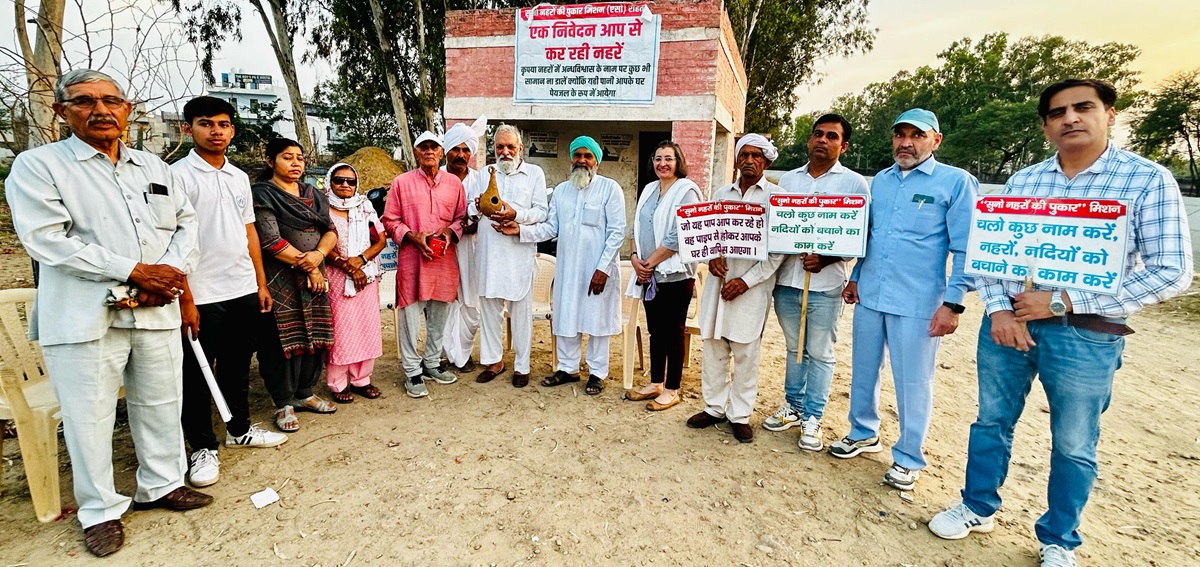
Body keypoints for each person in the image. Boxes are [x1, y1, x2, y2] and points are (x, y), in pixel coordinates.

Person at [929, 79, 1194, 567]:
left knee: (1073, 441)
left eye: (1083, 107)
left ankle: (1059, 538)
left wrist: (1066, 301)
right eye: (1057, 112)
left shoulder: (1146, 180)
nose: (1070, 118)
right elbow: (990, 256)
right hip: (1008, 328)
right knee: (991, 421)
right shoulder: (1025, 183)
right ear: (1046, 125)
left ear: (1109, 114)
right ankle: (976, 505)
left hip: (1087, 334)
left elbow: (1172, 271)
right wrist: (999, 309)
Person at [5, 69, 210, 557]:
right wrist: (135, 271)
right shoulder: (39, 167)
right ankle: (100, 510)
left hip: (156, 306)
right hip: (84, 316)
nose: (100, 109)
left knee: (161, 402)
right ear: (61, 111)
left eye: (111, 100)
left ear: (127, 108)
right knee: (89, 416)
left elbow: (187, 225)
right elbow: (47, 240)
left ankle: (160, 484)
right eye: (84, 101)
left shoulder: (153, 166)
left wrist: (169, 276)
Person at [834, 108, 977, 491]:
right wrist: (857, 277)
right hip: (872, 294)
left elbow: (966, 249)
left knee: (913, 381)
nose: (906, 142)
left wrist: (954, 302)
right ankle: (863, 431)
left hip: (919, 303)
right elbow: (870, 236)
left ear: (936, 140)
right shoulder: (880, 181)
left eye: (917, 135)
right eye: (900, 134)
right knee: (863, 369)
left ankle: (909, 456)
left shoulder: (956, 183)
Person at [172, 96, 286, 490]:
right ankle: (202, 447)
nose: (216, 131)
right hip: (200, 292)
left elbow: (249, 231)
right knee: (197, 373)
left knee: (237, 364)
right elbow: (170, 239)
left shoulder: (239, 178)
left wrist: (259, 282)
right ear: (189, 129)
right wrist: (185, 297)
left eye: (223, 124)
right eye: (206, 123)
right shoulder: (177, 176)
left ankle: (239, 428)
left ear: (232, 130)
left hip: (241, 287)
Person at [762, 114, 869, 451]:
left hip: (826, 286)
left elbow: (860, 234)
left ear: (843, 145)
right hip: (788, 281)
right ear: (809, 140)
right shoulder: (788, 182)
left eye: (832, 136)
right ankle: (793, 405)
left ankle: (813, 416)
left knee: (820, 352)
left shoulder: (854, 184)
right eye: (818, 134)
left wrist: (828, 258)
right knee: (795, 349)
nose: (823, 140)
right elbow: (774, 229)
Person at [496, 135, 625, 396]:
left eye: (587, 156)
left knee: (596, 319)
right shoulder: (562, 191)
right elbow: (549, 228)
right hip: (568, 267)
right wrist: (519, 230)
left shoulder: (610, 189)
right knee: (567, 314)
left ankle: (597, 372)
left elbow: (617, 231)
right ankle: (568, 368)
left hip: (597, 269)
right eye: (577, 155)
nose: (581, 161)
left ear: (596, 161)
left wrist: (602, 269)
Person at [685, 135, 785, 443]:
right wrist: (712, 255)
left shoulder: (776, 197)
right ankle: (714, 407)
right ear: (737, 159)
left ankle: (739, 414)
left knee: (745, 351)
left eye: (757, 156)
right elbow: (707, 233)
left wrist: (747, 281)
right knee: (714, 346)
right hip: (718, 280)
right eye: (744, 155)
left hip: (752, 286)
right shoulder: (721, 192)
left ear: (766, 162)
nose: (749, 161)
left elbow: (778, 251)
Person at [252, 138, 338, 432]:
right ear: (270, 161)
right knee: (282, 341)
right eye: (287, 157)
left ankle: (305, 393)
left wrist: (318, 257)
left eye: (299, 158)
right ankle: (283, 402)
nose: (295, 163)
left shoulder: (313, 194)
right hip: (282, 279)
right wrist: (311, 266)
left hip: (315, 277)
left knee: (315, 335)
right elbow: (270, 241)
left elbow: (330, 231)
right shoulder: (263, 194)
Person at [382, 131, 467, 397]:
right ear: (417, 152)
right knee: (410, 316)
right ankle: (411, 370)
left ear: (441, 152)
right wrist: (412, 236)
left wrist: (449, 233)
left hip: (443, 259)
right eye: (424, 147)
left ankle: (432, 363)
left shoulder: (454, 184)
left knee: (440, 314)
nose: (429, 151)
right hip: (412, 258)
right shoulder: (401, 182)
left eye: (434, 147)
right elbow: (389, 220)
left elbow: (462, 218)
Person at [624, 140, 702, 410]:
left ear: (678, 161)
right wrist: (635, 259)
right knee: (655, 330)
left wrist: (650, 263)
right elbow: (635, 227)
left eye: (668, 158)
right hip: (648, 274)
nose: (662, 164)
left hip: (675, 275)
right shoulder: (648, 190)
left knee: (674, 331)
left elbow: (678, 235)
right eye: (657, 159)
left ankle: (672, 388)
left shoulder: (687, 191)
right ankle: (656, 381)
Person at [474, 124, 548, 388]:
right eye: (500, 147)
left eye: (510, 147)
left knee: (520, 311)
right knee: (489, 308)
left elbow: (541, 211)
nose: (505, 152)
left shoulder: (534, 174)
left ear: (520, 150)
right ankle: (494, 361)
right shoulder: (483, 174)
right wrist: (477, 207)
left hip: (518, 251)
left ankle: (522, 365)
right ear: (494, 150)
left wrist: (516, 214)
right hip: (489, 252)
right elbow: (472, 211)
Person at [322, 163, 388, 403]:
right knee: (341, 330)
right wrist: (347, 265)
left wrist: (359, 261)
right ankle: (337, 383)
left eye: (350, 181)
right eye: (339, 180)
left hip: (365, 276)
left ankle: (362, 380)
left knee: (366, 326)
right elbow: (319, 245)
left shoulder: (365, 206)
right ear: (330, 181)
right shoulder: (322, 207)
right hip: (336, 276)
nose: (345, 185)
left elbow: (380, 240)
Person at [441, 117, 487, 373]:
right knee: (444, 302)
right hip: (441, 249)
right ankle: (445, 352)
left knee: (471, 304)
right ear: (447, 150)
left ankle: (464, 354)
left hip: (472, 248)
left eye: (466, 149)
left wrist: (474, 225)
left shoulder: (480, 179)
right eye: (456, 149)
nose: (461, 155)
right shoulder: (434, 178)